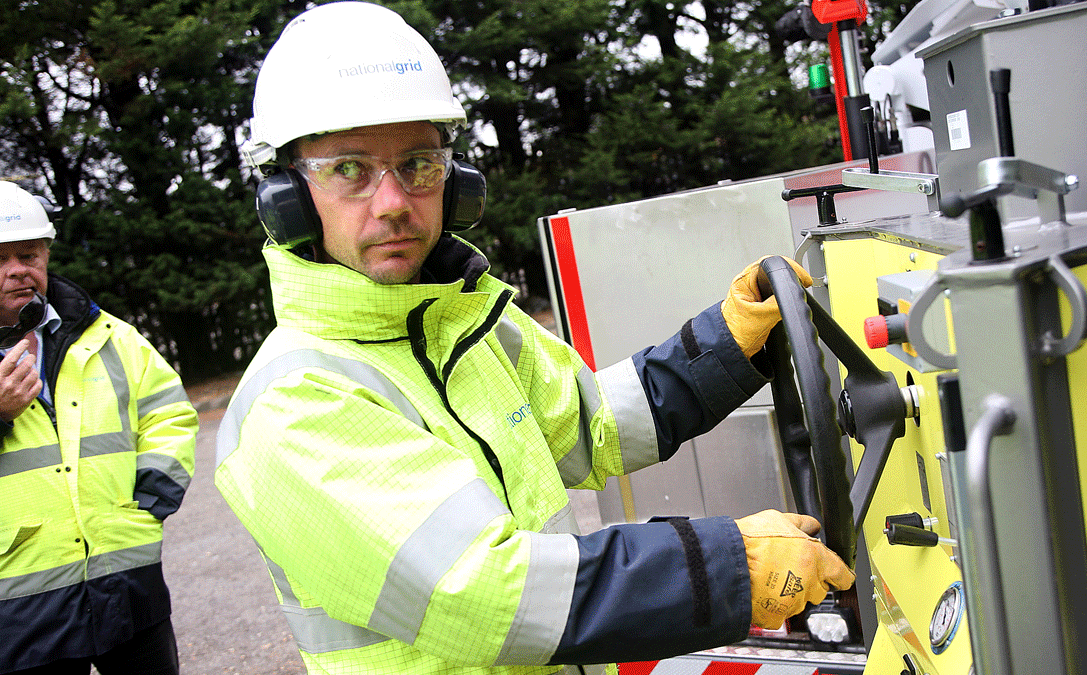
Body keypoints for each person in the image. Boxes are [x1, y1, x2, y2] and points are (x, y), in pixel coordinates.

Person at [212, 2, 855, 674]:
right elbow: (489, 595)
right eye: (349, 169)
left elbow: (593, 423)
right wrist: (732, 564)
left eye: (417, 164)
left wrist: (728, 342)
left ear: (452, 180)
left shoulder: (465, 320)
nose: (394, 201)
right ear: (286, 197)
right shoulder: (293, 405)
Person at [0, 181, 198, 674]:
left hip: (126, 583)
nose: (17, 271)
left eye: (28, 254)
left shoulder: (107, 334)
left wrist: (147, 504)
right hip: (20, 608)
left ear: (47, 256)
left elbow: (168, 411)